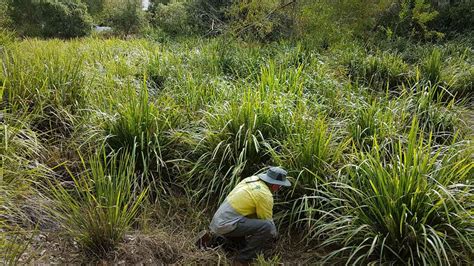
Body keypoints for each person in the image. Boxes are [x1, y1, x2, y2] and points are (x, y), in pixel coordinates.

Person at [207, 167, 291, 263]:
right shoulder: (265, 195)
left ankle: (222, 241)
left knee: (251, 226)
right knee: (267, 227)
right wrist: (275, 236)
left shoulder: (251, 179)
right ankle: (243, 259)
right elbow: (268, 222)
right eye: (280, 186)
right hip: (227, 225)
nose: (280, 188)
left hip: (218, 220)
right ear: (275, 185)